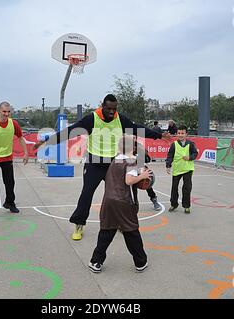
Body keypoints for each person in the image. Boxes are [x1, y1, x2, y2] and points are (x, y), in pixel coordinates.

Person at [34, 94, 170, 240]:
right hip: (94, 162)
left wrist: (159, 135)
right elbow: (69, 132)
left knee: (122, 194)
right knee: (87, 193)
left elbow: (138, 129)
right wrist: (47, 142)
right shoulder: (91, 119)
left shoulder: (120, 119)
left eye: (114, 109)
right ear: (103, 106)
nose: (112, 112)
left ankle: (122, 223)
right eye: (109, 109)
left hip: (114, 163)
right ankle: (79, 224)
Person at [88, 135, 151, 273]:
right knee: (131, 232)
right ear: (133, 148)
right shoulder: (131, 162)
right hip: (124, 202)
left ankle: (95, 261)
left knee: (107, 231)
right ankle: (141, 262)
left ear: (118, 148)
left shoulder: (115, 159)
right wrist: (142, 176)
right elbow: (129, 180)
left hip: (109, 200)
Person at [165, 125, 198, 214]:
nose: (180, 135)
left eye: (182, 133)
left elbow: (195, 153)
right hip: (177, 169)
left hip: (188, 169)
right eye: (179, 133)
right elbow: (170, 156)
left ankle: (186, 206)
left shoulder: (190, 144)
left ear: (186, 134)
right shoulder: (174, 145)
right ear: (176, 134)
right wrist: (168, 165)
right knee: (174, 188)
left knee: (187, 188)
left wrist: (190, 157)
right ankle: (174, 204)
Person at [134, 137, 161, 211]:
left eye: (134, 137)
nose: (133, 139)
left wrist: (145, 155)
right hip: (130, 170)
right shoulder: (126, 146)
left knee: (147, 185)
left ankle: (154, 200)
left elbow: (148, 160)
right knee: (130, 188)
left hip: (140, 169)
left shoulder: (139, 146)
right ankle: (133, 205)